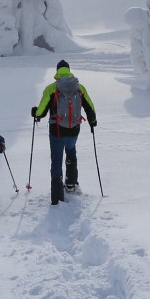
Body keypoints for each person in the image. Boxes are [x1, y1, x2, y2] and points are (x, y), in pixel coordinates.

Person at [30, 59, 96, 205]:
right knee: (71, 152)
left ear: (57, 71)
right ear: (69, 70)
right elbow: (89, 106)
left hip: (57, 131)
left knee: (56, 159)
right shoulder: (80, 87)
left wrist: (36, 114)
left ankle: (57, 194)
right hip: (74, 130)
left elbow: (41, 110)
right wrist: (92, 121)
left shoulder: (51, 88)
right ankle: (71, 184)